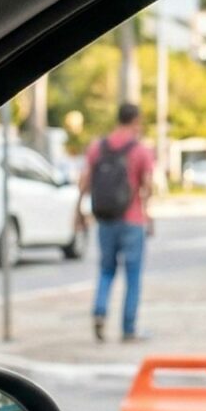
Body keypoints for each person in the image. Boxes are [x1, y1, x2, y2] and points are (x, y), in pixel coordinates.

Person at [83, 102, 155, 343]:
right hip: (132, 219)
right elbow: (147, 187)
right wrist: (149, 216)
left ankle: (100, 311)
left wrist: (77, 212)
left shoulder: (98, 147)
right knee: (133, 275)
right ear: (136, 120)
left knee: (106, 270)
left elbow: (84, 182)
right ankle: (128, 329)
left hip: (105, 219)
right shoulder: (140, 150)